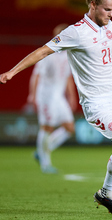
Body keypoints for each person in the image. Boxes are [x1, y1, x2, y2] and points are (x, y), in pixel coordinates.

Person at [0, 0, 112, 216]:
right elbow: (42, 51)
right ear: (92, 4)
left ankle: (105, 194)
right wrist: (12, 71)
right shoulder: (75, 32)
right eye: (106, 10)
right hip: (96, 104)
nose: (110, 15)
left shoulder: (108, 25)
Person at [27, 24, 77, 174]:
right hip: (46, 96)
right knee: (47, 127)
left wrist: (71, 96)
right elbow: (36, 75)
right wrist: (32, 95)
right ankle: (45, 163)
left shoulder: (68, 54)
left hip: (59, 97)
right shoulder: (47, 53)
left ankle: (41, 151)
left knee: (70, 128)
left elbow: (67, 77)